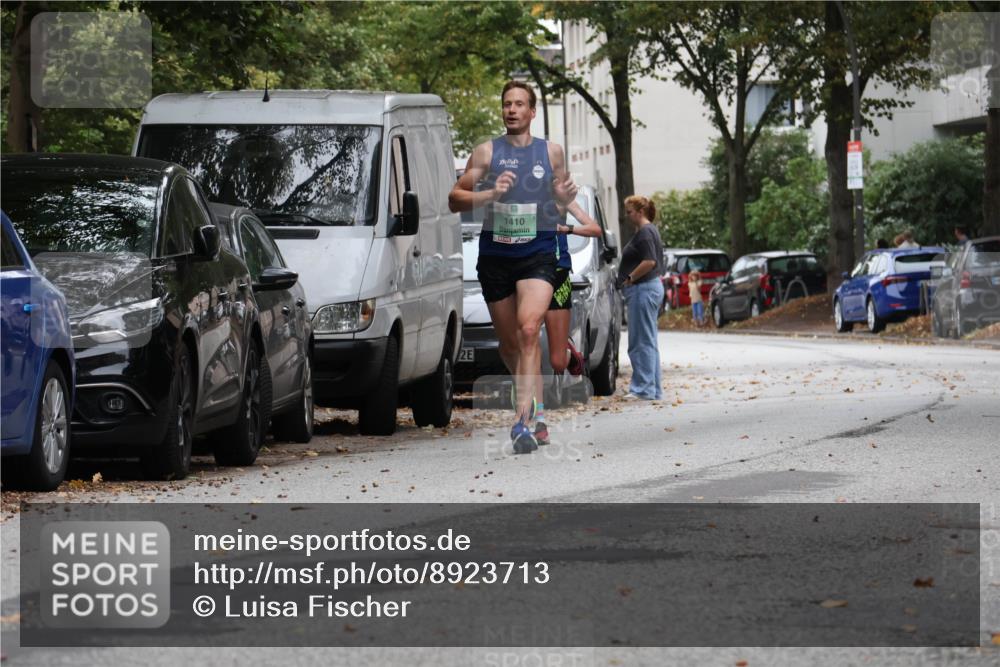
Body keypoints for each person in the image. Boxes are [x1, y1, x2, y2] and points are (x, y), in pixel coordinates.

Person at [448, 80, 578, 454]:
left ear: (532, 112)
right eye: (507, 103)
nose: (512, 109)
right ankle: (533, 408)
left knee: (527, 329)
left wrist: (564, 197)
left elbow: (559, 199)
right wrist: (491, 193)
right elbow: (455, 199)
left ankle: (524, 419)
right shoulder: (486, 153)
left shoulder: (551, 152)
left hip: (537, 252)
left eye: (520, 104)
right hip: (496, 256)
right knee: (510, 346)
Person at [532, 200, 602, 446]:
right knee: (527, 340)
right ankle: (536, 418)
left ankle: (573, 357)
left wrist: (568, 229)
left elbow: (595, 229)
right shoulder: (518, 194)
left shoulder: (562, 198)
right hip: (528, 272)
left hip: (558, 275)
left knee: (557, 360)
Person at [619, 195, 664, 400]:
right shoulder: (649, 230)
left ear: (640, 211)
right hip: (649, 289)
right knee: (649, 340)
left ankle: (643, 389)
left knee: (640, 341)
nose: (627, 216)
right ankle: (653, 389)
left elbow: (649, 261)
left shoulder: (645, 232)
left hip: (643, 289)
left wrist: (630, 278)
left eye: (629, 212)